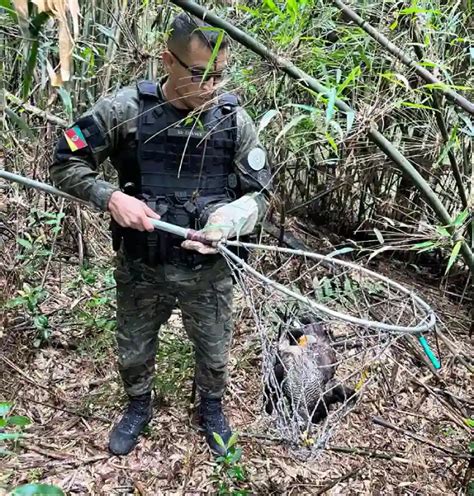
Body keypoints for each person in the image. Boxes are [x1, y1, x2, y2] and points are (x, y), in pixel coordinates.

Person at [50, 12, 271, 457]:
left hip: (208, 273)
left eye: (219, 75)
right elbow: (65, 160)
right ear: (166, 60)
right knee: (133, 347)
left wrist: (229, 220)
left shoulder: (233, 120)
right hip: (142, 266)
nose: (210, 87)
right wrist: (110, 196)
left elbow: (261, 194)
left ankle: (210, 407)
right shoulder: (124, 110)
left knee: (214, 352)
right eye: (199, 74)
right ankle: (137, 406)